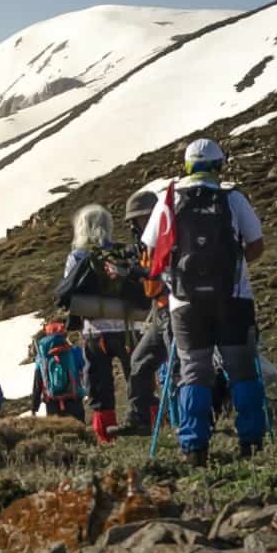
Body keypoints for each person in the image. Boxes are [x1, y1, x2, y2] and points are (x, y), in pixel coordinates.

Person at [141, 138, 268, 467]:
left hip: (184, 304)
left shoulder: (168, 200)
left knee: (193, 372)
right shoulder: (232, 196)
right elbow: (256, 244)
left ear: (186, 166)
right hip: (234, 298)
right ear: (218, 165)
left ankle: (194, 447)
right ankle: (251, 441)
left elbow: (152, 251)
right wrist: (233, 269)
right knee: (241, 369)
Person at [56, 204, 142, 440]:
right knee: (138, 377)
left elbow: (68, 292)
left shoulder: (77, 256)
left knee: (99, 385)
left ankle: (106, 435)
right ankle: (148, 424)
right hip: (130, 327)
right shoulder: (124, 252)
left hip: (96, 331)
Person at [123, 184, 170, 434]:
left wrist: (133, 271)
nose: (135, 225)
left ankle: (185, 421)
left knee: (179, 367)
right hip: (161, 311)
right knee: (140, 361)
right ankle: (139, 420)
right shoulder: (146, 246)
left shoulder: (166, 238)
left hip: (174, 311)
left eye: (138, 218)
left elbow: (160, 273)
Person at [30, 322, 89, 424]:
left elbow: (37, 383)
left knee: (57, 432)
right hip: (74, 400)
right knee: (79, 431)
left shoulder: (41, 357)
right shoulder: (75, 351)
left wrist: (34, 408)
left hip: (52, 403)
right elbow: (86, 371)